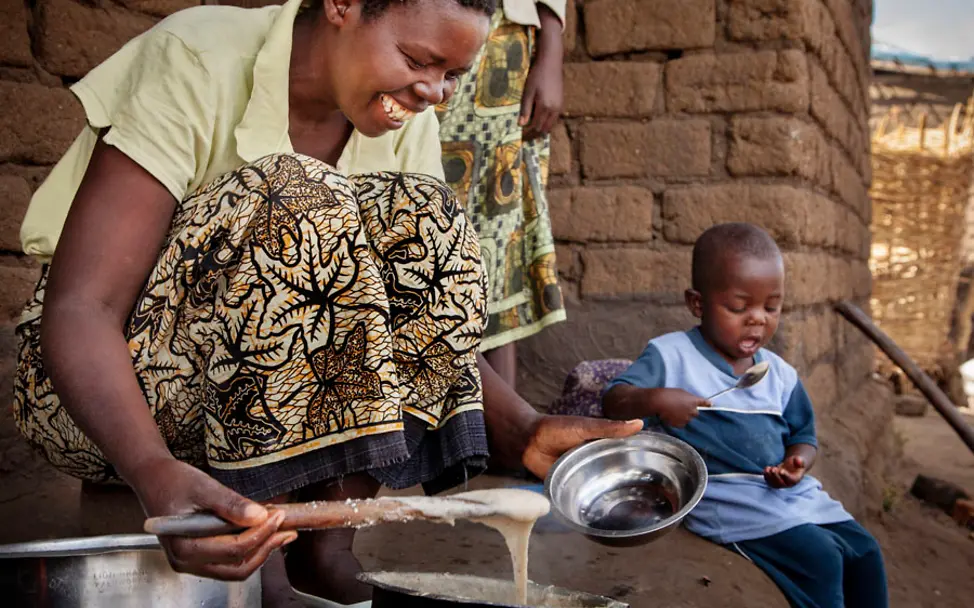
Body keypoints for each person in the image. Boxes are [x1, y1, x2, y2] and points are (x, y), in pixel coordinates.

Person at [12, 0, 641, 605]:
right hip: (93, 390)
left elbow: (411, 315)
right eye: (417, 59)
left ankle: (324, 542)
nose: (433, 92)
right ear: (342, 5)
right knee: (296, 193)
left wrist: (523, 428)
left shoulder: (405, 119)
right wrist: (151, 470)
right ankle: (256, 559)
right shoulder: (197, 56)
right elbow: (82, 308)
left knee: (432, 224)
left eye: (451, 75)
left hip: (214, 410)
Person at [602, 223, 888, 608]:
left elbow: (803, 435)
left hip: (788, 495)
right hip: (727, 500)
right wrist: (657, 398)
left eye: (771, 307)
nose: (758, 319)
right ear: (697, 304)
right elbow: (614, 401)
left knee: (866, 553)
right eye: (739, 307)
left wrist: (797, 463)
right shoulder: (671, 356)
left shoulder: (780, 376)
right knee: (821, 560)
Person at [436, 0, 567, 390]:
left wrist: (552, 46)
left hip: (496, 38)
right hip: (394, 21)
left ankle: (500, 438)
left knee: (494, 239)